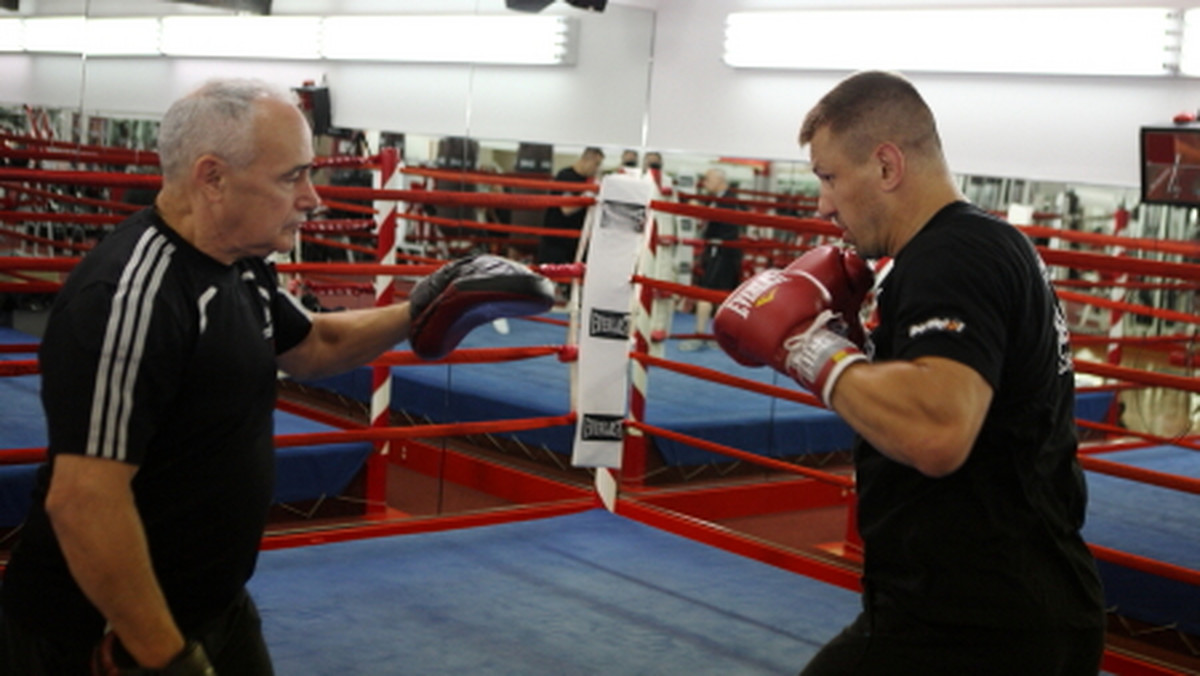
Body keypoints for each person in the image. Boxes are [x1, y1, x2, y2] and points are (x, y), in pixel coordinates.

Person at [0, 79, 553, 676]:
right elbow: (84, 501)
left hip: (211, 604)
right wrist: (165, 656)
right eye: (291, 177)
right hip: (107, 631)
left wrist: (425, 304)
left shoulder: (240, 266)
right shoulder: (132, 297)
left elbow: (314, 343)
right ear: (211, 178)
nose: (312, 198)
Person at [713, 70, 1105, 675]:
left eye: (829, 177)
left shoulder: (950, 259)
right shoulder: (988, 242)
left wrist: (809, 350)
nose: (822, 203)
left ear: (887, 166)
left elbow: (937, 430)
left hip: (970, 628)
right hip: (1010, 605)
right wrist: (858, 348)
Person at [681, 167, 743, 351]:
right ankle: (713, 336)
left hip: (723, 251)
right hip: (723, 251)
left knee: (708, 293)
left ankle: (701, 335)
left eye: (708, 179)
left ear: (719, 180)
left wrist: (697, 209)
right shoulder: (722, 198)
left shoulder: (729, 200)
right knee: (719, 295)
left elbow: (718, 221)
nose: (705, 182)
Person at [535, 146, 604, 265]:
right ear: (587, 159)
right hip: (556, 241)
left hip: (574, 240)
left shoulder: (587, 180)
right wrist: (589, 195)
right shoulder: (565, 176)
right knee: (553, 278)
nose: (596, 169)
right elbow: (566, 209)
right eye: (596, 164)